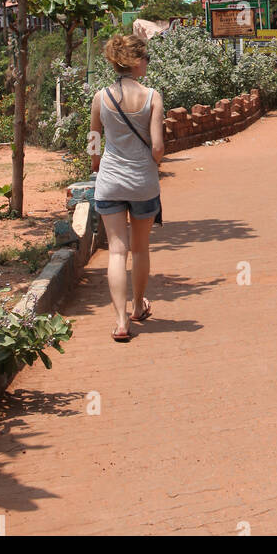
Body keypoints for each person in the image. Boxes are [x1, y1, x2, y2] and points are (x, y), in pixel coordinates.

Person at [89, 34, 165, 342]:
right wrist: (152, 162)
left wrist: (97, 166)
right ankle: (137, 306)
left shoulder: (100, 97)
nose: (147, 62)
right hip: (143, 182)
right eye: (145, 58)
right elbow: (157, 148)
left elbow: (94, 142)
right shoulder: (152, 97)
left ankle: (121, 322)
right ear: (135, 62)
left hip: (110, 182)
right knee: (140, 248)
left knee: (117, 252)